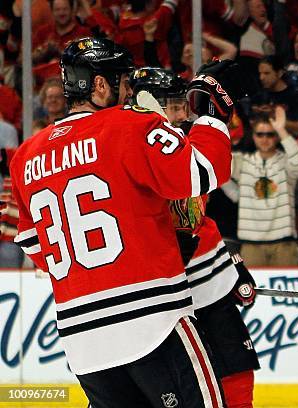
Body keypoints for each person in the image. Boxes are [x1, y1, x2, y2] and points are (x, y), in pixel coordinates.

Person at [10, 37, 232, 408]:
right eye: (124, 82)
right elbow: (201, 173)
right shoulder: (129, 125)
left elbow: (36, 245)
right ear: (99, 85)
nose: (130, 91)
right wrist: (213, 119)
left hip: (83, 341)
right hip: (153, 324)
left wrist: (96, 273)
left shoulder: (25, 156)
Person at [130, 66, 261, 408]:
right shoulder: (134, 149)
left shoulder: (185, 145)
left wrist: (231, 263)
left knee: (236, 372)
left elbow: (199, 217)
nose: (181, 115)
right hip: (163, 299)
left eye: (182, 106)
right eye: (172, 106)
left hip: (210, 285)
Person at [228, 107, 298, 266]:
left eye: (270, 134)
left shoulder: (286, 162)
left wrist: (281, 129)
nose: (265, 139)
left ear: (277, 137)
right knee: (253, 291)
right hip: (251, 245)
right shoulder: (242, 162)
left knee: (288, 291)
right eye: (260, 134)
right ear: (253, 136)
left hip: (284, 244)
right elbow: (216, 164)